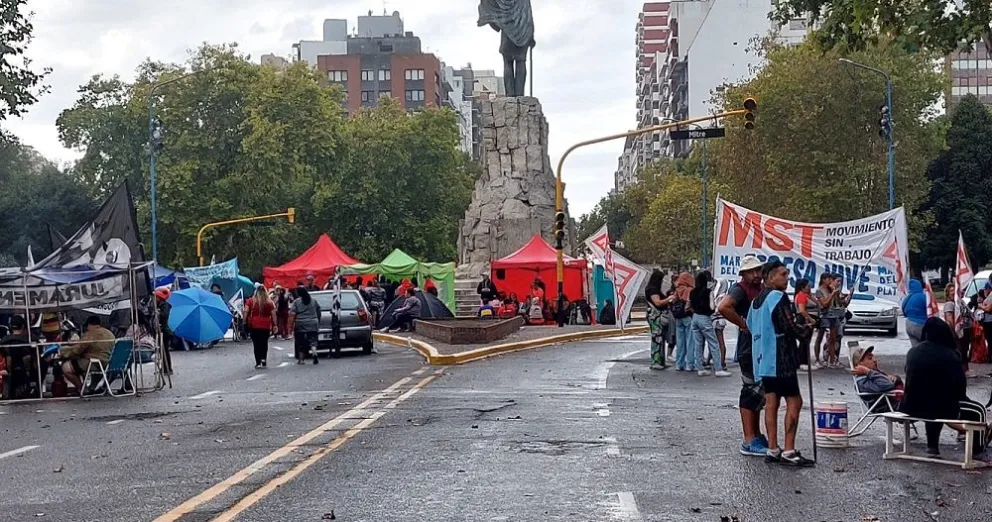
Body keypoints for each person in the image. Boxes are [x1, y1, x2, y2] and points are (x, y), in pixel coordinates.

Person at [748, 261, 814, 466]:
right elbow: (788, 325)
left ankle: (773, 448)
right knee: (794, 401)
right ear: (769, 277)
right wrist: (807, 330)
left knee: (771, 402)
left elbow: (750, 325)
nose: (787, 279)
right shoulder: (778, 297)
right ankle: (789, 449)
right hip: (781, 357)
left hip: (763, 359)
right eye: (783, 275)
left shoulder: (756, 302)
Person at [901, 318, 990, 456]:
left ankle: (932, 447)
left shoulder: (913, 352)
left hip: (912, 406)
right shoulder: (951, 355)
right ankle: (978, 451)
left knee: (931, 402)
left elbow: (908, 375)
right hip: (943, 408)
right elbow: (960, 388)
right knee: (978, 410)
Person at [717, 255, 768, 457]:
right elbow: (723, 307)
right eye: (751, 271)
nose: (756, 275)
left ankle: (755, 434)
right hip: (749, 348)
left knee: (758, 393)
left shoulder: (759, 289)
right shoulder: (740, 290)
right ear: (744, 274)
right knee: (750, 391)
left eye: (758, 270)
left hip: (759, 346)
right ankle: (749, 438)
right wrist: (743, 323)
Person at [690, 270, 731, 377]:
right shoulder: (708, 292)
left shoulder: (692, 292)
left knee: (698, 344)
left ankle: (700, 368)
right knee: (714, 343)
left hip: (695, 318)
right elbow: (712, 307)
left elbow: (690, 305)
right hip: (705, 318)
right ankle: (718, 369)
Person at [60, 316, 115, 393]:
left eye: (87, 326)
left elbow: (77, 350)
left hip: (94, 363)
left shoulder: (90, 334)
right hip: (107, 363)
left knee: (66, 368)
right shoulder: (110, 334)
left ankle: (81, 388)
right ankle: (91, 388)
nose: (87, 328)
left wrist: (62, 351)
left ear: (90, 325)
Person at [645, 269, 675, 370]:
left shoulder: (652, 288)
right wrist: (669, 299)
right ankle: (656, 361)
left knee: (660, 338)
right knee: (657, 338)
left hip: (655, 316)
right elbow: (657, 302)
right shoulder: (653, 290)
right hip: (656, 317)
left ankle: (660, 360)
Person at [944, 282, 973, 374]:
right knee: (959, 352)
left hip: (965, 331)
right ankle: (960, 371)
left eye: (955, 290)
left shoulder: (960, 302)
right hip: (957, 333)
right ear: (948, 293)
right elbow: (949, 320)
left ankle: (964, 370)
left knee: (964, 352)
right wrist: (954, 333)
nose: (953, 292)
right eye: (951, 290)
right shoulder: (949, 304)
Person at [245, 285, 278, 369]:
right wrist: (275, 325)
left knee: (256, 344)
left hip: (254, 325)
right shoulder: (269, 302)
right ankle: (263, 359)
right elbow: (274, 315)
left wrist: (244, 321)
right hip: (265, 325)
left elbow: (246, 311)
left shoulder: (250, 301)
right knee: (264, 343)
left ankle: (258, 362)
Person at [289, 286, 321, 365]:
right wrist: (317, 320)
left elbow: (292, 314)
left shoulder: (297, 302)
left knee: (300, 342)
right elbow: (319, 312)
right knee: (313, 339)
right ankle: (314, 351)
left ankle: (301, 359)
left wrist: (290, 326)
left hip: (300, 323)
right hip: (313, 322)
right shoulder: (314, 301)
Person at [672, 271, 695, 371]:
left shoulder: (677, 290)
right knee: (690, 341)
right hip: (688, 317)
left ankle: (679, 363)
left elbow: (672, 301)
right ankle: (690, 364)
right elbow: (690, 304)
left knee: (680, 341)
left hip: (678, 317)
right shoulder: (690, 290)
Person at [794, 278, 817, 371]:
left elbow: (817, 303)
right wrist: (810, 319)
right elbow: (802, 310)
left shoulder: (806, 295)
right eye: (807, 286)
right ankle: (802, 361)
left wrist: (811, 295)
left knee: (806, 341)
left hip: (807, 319)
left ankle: (804, 360)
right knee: (804, 341)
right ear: (802, 287)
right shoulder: (801, 296)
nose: (809, 288)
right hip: (803, 319)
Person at [901, 279, 928, 348]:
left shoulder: (907, 298)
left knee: (915, 348)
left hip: (909, 324)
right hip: (921, 325)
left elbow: (903, 311)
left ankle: (916, 357)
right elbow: (929, 310)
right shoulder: (923, 297)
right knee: (926, 346)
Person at [154, 287, 174, 374]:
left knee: (164, 351)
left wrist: (157, 313)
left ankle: (168, 369)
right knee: (161, 351)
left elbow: (164, 315)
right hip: (161, 331)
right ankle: (164, 368)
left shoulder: (164, 305)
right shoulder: (158, 305)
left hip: (164, 332)